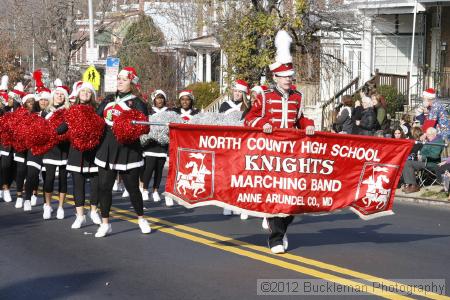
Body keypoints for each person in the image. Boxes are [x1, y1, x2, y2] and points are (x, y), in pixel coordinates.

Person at [244, 30, 315, 254]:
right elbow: (249, 120)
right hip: (270, 152)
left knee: (293, 195)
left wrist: (308, 125)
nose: (288, 80)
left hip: (292, 152)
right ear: (275, 77)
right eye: (284, 76)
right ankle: (275, 238)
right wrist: (262, 124)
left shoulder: (298, 97)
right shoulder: (264, 96)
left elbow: (300, 118)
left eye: (290, 77)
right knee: (275, 195)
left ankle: (281, 230)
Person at [94, 66, 151, 237]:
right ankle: (105, 223)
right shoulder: (109, 99)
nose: (119, 81)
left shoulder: (138, 102)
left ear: (131, 83)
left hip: (128, 148)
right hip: (107, 147)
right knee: (104, 187)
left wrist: (128, 126)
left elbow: (144, 127)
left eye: (124, 79)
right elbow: (97, 118)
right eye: (118, 78)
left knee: (132, 188)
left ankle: (141, 218)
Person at [62, 82, 102, 229]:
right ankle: (80, 216)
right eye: (83, 91)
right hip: (76, 153)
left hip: (94, 152)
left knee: (95, 185)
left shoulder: (97, 111)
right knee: (78, 185)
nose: (85, 93)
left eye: (89, 91)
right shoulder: (71, 110)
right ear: (78, 94)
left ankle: (93, 211)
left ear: (92, 95)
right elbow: (62, 128)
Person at [42, 80, 70, 220]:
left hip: (64, 149)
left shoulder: (68, 112)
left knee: (63, 179)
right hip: (50, 149)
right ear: (53, 96)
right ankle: (47, 205)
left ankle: (60, 207)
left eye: (61, 94)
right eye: (57, 94)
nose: (59, 96)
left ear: (65, 97)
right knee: (49, 179)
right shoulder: (46, 112)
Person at [23, 89, 51, 211]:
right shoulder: (31, 114)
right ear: (38, 101)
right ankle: (27, 199)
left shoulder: (52, 114)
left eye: (46, 100)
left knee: (47, 178)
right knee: (32, 175)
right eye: (42, 100)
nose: (44, 102)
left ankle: (46, 204)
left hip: (49, 149)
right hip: (34, 148)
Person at [140, 89, 169, 203]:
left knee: (159, 169)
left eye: (162, 98)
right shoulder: (149, 111)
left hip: (162, 145)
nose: (160, 100)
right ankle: (145, 189)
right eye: (158, 98)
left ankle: (155, 191)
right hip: (150, 145)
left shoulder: (168, 112)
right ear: (154, 100)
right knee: (149, 168)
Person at [14, 93, 39, 209]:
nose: (32, 103)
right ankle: (19, 196)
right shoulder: (19, 114)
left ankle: (28, 198)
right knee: (20, 171)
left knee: (32, 173)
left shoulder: (38, 115)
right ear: (24, 103)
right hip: (20, 146)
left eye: (33, 101)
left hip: (33, 146)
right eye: (29, 101)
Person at [401, 127, 444, 193]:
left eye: (429, 135)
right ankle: (409, 184)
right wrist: (422, 154)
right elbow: (422, 151)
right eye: (427, 134)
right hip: (424, 162)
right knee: (405, 162)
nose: (427, 136)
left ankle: (414, 185)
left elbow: (435, 155)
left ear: (434, 134)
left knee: (408, 163)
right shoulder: (429, 141)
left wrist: (423, 156)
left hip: (431, 163)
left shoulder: (439, 142)